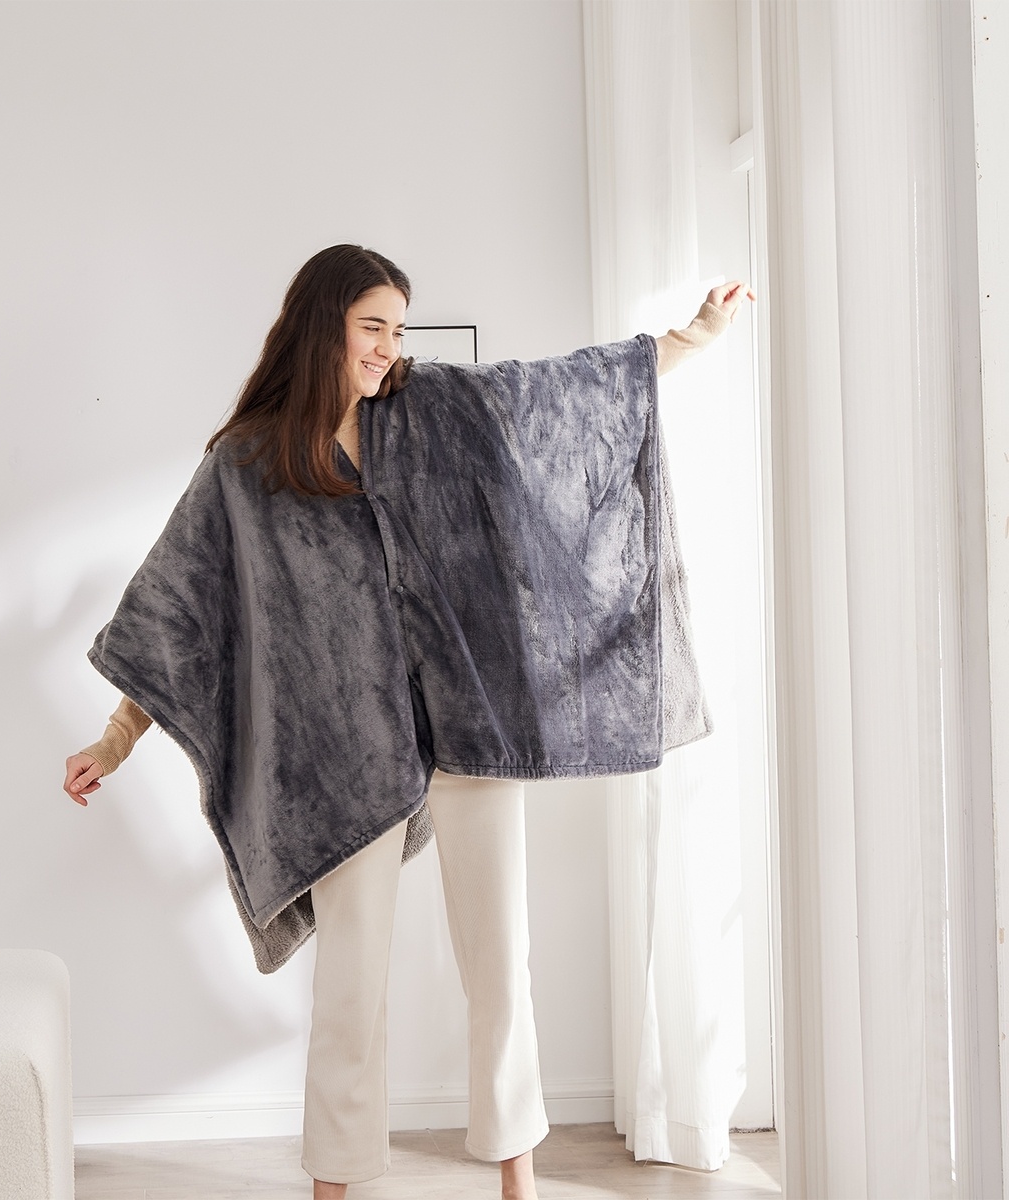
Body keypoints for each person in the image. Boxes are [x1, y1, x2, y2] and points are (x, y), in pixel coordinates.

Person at [64, 245, 753, 1200]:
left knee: (499, 962)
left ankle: (518, 1177)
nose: (388, 347)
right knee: (352, 986)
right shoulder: (249, 464)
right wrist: (115, 738)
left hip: (472, 723)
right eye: (371, 326)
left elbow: (558, 397)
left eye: (396, 327)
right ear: (324, 328)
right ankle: (336, 1184)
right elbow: (182, 610)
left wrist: (691, 338)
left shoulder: (434, 410)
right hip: (347, 754)